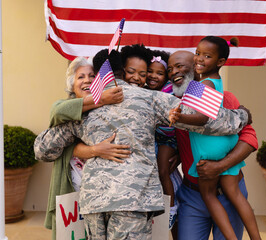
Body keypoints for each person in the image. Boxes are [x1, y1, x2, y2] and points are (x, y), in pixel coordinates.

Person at [34, 49, 251, 240]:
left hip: (93, 204)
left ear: (100, 73)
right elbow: (201, 117)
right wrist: (241, 115)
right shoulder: (148, 98)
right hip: (133, 202)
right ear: (122, 70)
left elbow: (42, 149)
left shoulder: (83, 108)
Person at [167, 50, 258, 240]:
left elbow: (249, 139)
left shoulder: (225, 97)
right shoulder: (172, 105)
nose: (173, 72)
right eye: (170, 69)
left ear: (196, 67)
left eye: (180, 66)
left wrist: (219, 166)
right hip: (192, 194)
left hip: (228, 191)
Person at [37, 56, 131, 240]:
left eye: (92, 76)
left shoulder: (111, 112)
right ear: (72, 85)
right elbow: (45, 148)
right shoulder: (62, 108)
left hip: (105, 199)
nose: (87, 80)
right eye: (81, 77)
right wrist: (94, 150)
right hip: (71, 196)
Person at [147, 49, 182, 234]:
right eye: (150, 71)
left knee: (163, 171)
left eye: (159, 73)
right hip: (159, 137)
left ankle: (171, 208)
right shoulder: (146, 90)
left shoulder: (170, 89)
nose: (154, 76)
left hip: (168, 139)